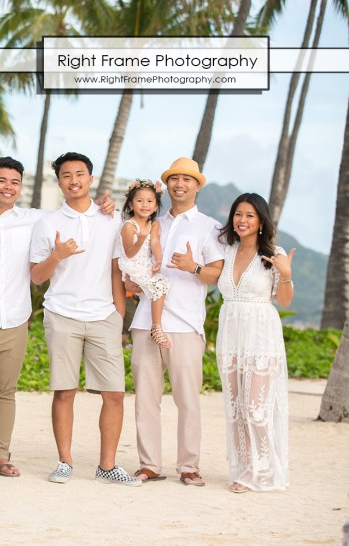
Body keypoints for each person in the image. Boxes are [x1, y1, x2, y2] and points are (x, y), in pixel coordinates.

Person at [0, 156, 114, 478]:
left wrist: (105, 205)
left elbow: (76, 208)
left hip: (15, 318)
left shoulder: (36, 220)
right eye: (1, 181)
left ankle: (0, 457)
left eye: (14, 182)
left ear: (20, 187)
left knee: (6, 392)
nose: (8, 187)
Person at [30, 152, 140, 487]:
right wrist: (57, 256)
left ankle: (107, 465)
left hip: (104, 315)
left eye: (80, 174)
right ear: (59, 181)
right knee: (64, 391)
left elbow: (115, 268)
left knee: (115, 394)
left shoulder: (112, 219)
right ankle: (64, 461)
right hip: (62, 314)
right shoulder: (48, 224)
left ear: (91, 179)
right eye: (66, 175)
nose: (74, 180)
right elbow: (36, 277)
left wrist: (119, 315)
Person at [128, 157, 224, 487]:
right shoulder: (151, 221)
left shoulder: (210, 227)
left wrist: (193, 267)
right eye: (174, 179)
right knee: (145, 399)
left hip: (185, 325)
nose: (179, 184)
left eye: (187, 179)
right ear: (166, 185)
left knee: (188, 400)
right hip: (145, 321)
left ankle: (189, 466)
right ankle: (149, 464)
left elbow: (219, 275)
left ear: (197, 185)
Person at [216, 193, 294, 493]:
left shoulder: (275, 253)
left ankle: (263, 470)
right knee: (235, 407)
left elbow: (284, 301)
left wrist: (285, 274)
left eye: (249, 215)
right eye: (238, 214)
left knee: (255, 408)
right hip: (231, 331)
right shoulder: (228, 251)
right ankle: (243, 468)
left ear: (261, 221)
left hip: (261, 333)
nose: (242, 220)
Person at [118, 179, 171, 348]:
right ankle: (156, 327)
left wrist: (159, 260)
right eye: (139, 201)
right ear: (131, 205)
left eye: (150, 201)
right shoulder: (129, 226)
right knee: (159, 285)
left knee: (159, 285)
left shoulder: (153, 223)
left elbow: (155, 242)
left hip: (146, 263)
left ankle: (153, 325)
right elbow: (129, 252)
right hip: (131, 264)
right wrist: (140, 239)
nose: (145, 205)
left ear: (156, 206)